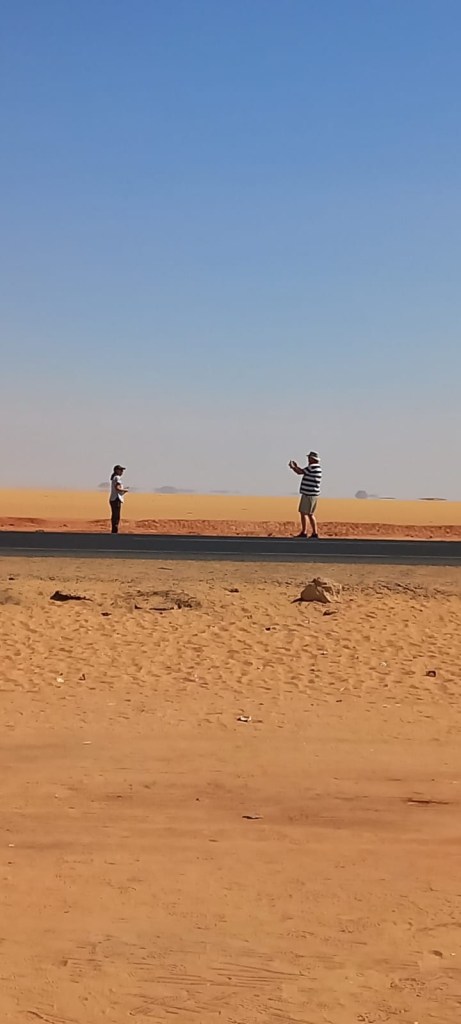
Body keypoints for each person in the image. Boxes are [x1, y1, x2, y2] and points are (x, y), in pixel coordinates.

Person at [288, 451, 322, 538]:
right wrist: (296, 467)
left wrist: (293, 467)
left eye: (309, 458)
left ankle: (307, 532)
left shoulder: (312, 467)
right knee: (308, 513)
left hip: (309, 494)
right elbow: (302, 471)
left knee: (306, 513)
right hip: (311, 494)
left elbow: (300, 472)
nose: (308, 459)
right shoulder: (316, 468)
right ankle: (311, 532)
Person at [109, 465, 128, 533]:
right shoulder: (117, 477)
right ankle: (115, 530)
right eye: (121, 470)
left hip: (113, 498)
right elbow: (117, 488)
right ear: (116, 470)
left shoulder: (114, 477)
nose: (122, 472)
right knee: (116, 516)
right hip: (116, 499)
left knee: (114, 515)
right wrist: (124, 490)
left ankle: (114, 530)